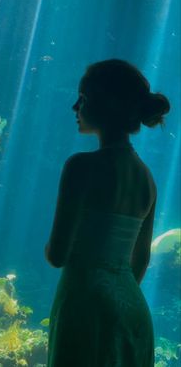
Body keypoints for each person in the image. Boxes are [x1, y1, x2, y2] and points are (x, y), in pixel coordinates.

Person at [45, 59, 170, 367]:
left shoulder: (80, 167)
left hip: (84, 306)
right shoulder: (147, 179)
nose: (75, 106)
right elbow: (139, 261)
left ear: (107, 104)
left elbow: (58, 255)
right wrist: (116, 293)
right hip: (132, 310)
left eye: (83, 98)